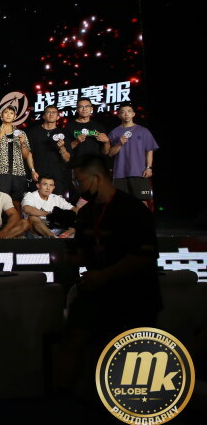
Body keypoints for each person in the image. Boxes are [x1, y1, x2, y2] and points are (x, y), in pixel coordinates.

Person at [58, 154, 162, 390]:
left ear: (96, 178)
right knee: (72, 339)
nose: (77, 187)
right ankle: (62, 399)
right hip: (96, 292)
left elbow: (143, 255)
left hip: (134, 294)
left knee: (128, 357)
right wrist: (70, 256)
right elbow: (83, 253)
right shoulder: (86, 213)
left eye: (79, 181)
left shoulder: (133, 210)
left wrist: (105, 275)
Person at [108, 102, 158, 206]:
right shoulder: (114, 132)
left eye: (129, 111)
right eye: (123, 112)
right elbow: (110, 153)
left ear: (133, 114)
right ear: (119, 115)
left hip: (139, 173)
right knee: (121, 203)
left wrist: (149, 167)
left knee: (142, 202)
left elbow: (149, 150)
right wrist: (119, 143)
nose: (126, 114)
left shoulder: (143, 131)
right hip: (120, 174)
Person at [0, 105, 35, 205]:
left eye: (11, 113)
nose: (8, 115)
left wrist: (22, 144)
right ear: (1, 115)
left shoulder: (21, 133)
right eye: (6, 112)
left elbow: (26, 155)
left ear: (15, 116)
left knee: (17, 203)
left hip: (19, 173)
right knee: (1, 203)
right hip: (1, 173)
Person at [25, 105, 71, 197]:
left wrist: (62, 147)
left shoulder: (63, 134)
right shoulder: (33, 132)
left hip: (57, 176)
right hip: (38, 174)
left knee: (56, 203)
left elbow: (67, 159)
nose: (51, 114)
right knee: (36, 201)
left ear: (58, 117)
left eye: (54, 112)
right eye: (48, 112)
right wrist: (32, 170)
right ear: (43, 116)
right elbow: (29, 153)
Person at [67, 97, 110, 164]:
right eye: (81, 106)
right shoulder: (69, 126)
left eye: (87, 106)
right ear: (77, 109)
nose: (84, 109)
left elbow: (105, 152)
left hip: (95, 165)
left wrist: (106, 142)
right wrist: (76, 141)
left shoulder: (98, 126)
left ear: (91, 108)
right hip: (76, 165)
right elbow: (65, 150)